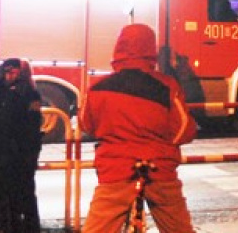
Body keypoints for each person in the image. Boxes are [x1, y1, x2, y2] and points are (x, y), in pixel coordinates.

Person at [80, 24, 197, 233]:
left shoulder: (97, 87)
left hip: (115, 169)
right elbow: (184, 129)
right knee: (178, 226)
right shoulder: (167, 86)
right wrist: (163, 145)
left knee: (98, 226)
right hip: (158, 168)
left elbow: (86, 124)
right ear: (151, 49)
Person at [0, 58, 43, 233]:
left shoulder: (25, 93)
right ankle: (25, 227)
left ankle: (23, 227)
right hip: (19, 152)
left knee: (22, 195)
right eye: (6, 71)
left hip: (19, 152)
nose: (8, 75)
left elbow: (28, 123)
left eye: (12, 72)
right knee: (22, 195)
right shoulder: (13, 92)